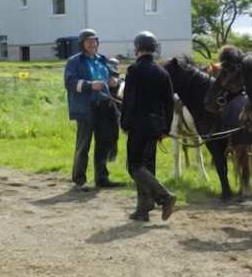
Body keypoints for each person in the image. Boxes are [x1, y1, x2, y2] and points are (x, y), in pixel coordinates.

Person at [120, 31, 176, 222]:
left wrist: (125, 123)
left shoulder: (134, 70)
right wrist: (165, 129)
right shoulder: (163, 72)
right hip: (156, 126)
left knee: (135, 167)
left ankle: (164, 197)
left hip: (138, 125)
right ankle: (143, 209)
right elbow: (170, 103)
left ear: (137, 48)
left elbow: (129, 100)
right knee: (147, 168)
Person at [64, 28, 123, 190]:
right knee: (84, 144)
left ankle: (102, 178)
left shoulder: (102, 60)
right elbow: (69, 83)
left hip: (104, 107)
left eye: (95, 41)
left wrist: (114, 81)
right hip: (86, 108)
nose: (93, 44)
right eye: (89, 41)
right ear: (82, 44)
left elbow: (115, 76)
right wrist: (91, 85)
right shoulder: (74, 62)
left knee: (103, 143)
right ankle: (79, 180)